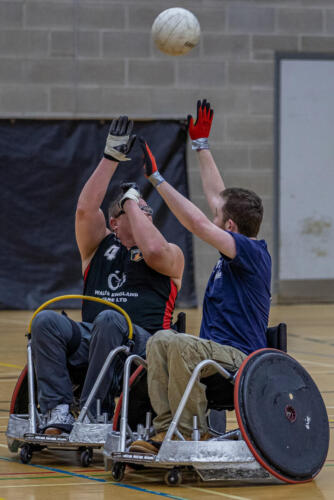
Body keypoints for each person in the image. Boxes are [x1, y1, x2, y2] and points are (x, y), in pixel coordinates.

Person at [130, 100, 271, 454]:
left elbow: (197, 223)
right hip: (214, 353)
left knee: (178, 343)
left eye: (218, 217)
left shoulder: (252, 254)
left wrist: (157, 180)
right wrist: (201, 145)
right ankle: (165, 431)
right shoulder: (236, 243)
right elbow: (216, 199)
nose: (212, 215)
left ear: (231, 226)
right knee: (161, 339)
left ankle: (195, 431)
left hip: (241, 358)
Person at [31, 116, 184, 435]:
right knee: (46, 321)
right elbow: (85, 209)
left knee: (110, 320)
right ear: (115, 223)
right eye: (134, 210)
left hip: (146, 345)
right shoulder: (98, 246)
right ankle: (59, 408)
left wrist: (131, 201)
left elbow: (153, 251)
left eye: (145, 210)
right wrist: (111, 158)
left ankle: (93, 412)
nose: (145, 214)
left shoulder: (168, 252)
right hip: (95, 338)